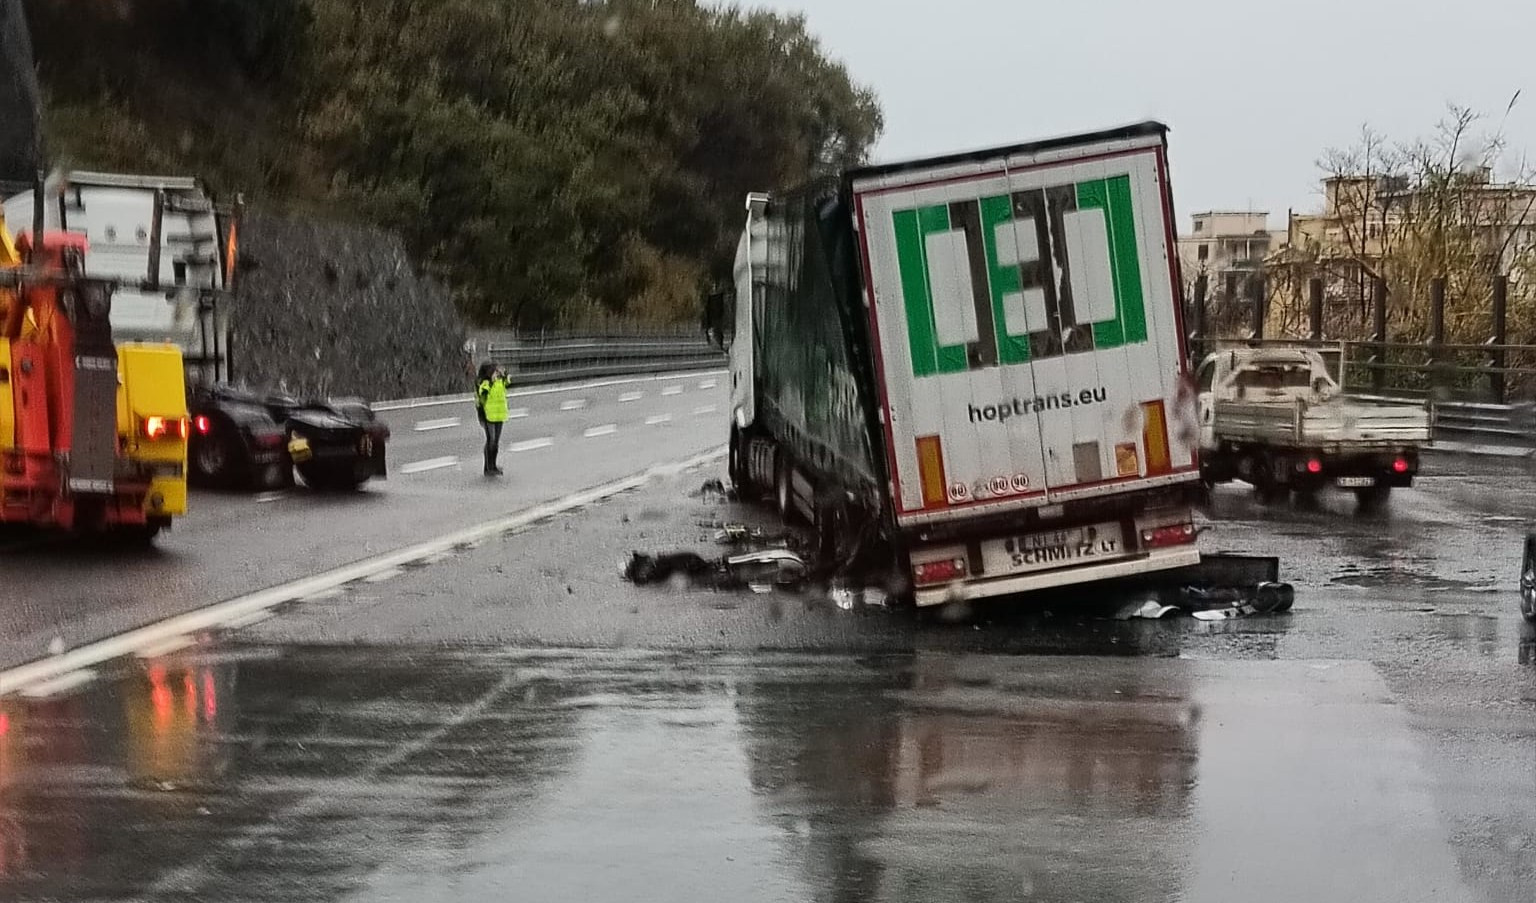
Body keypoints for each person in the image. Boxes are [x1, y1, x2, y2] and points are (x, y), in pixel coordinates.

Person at [475, 361, 510, 475]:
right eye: (494, 370)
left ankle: (493, 466)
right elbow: (482, 395)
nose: (496, 372)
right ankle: (488, 467)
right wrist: (490, 382)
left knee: (496, 442)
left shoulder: (500, 382)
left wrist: (504, 375)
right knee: (491, 440)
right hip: (489, 415)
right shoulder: (485, 383)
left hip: (499, 414)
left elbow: (508, 383)